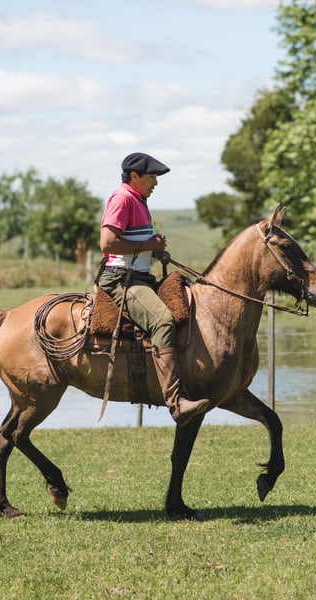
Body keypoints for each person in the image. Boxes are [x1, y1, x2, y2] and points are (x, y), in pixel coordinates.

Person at [96, 152, 210, 425]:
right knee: (162, 320)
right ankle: (176, 402)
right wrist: (150, 245)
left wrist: (155, 252)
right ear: (133, 176)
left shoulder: (139, 200)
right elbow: (108, 243)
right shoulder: (123, 198)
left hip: (140, 276)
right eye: (151, 178)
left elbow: (133, 241)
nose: (155, 184)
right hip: (121, 279)